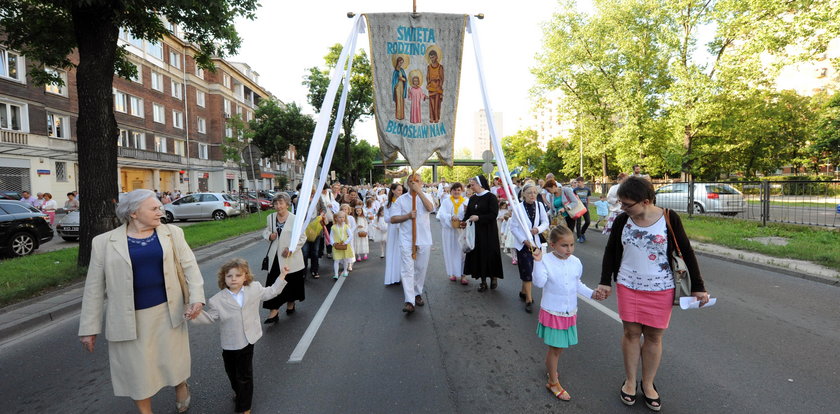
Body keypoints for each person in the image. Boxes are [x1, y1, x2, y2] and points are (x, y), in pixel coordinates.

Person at [78, 189, 204, 414]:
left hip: (167, 311)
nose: (160, 211)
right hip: (128, 318)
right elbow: (94, 288)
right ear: (134, 213)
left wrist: (197, 299)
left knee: (173, 360)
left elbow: (189, 267)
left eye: (159, 207)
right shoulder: (104, 243)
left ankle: (181, 385)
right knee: (137, 371)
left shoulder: (171, 233)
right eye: (154, 208)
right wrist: (89, 328)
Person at [595, 177, 709, 411]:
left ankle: (648, 384)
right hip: (628, 285)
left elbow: (686, 251)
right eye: (621, 204)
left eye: (627, 204)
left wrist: (698, 286)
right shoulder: (622, 220)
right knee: (631, 332)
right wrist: (605, 281)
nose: (623, 208)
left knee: (655, 337)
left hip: (661, 288)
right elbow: (611, 251)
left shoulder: (669, 218)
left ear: (646, 201)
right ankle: (630, 381)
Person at [193, 259, 289, 414]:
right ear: (223, 278)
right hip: (229, 343)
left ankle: (244, 406)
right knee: (231, 372)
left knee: (244, 375)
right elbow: (210, 318)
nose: (234, 278)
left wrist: (282, 275)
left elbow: (272, 292)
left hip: (247, 339)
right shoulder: (217, 300)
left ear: (246, 276)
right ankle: (238, 391)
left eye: (238, 275)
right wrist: (194, 315)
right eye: (229, 276)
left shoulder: (254, 288)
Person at [532, 226, 602, 402]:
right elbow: (539, 282)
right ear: (553, 244)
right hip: (553, 311)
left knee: (558, 348)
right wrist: (538, 261)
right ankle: (553, 382)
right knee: (555, 349)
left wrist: (592, 294)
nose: (569, 249)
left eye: (571, 245)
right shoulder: (545, 260)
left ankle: (551, 369)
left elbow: (576, 284)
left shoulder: (575, 262)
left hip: (569, 312)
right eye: (564, 245)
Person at [390, 174, 435, 313]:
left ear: (421, 183)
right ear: (407, 184)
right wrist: (408, 216)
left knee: (420, 268)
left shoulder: (426, 196)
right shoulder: (401, 200)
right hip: (407, 239)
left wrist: (420, 193)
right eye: (412, 181)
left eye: (417, 181)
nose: (414, 183)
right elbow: (393, 219)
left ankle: (417, 293)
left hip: (424, 238)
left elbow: (430, 208)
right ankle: (409, 300)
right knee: (407, 269)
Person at [262, 193, 307, 322]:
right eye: (276, 203)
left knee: (291, 282)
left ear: (287, 204)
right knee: (273, 283)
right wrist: (269, 235)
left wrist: (291, 249)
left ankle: (291, 303)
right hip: (275, 257)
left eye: (281, 203)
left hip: (291, 258)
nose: (278, 206)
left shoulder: (296, 219)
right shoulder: (270, 217)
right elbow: (266, 231)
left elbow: (302, 237)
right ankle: (273, 311)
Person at [510, 183, 550, 313]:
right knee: (527, 269)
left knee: (531, 269)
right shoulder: (518, 208)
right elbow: (514, 227)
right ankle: (528, 298)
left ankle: (523, 291)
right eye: (529, 193)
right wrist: (524, 240)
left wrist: (538, 229)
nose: (533, 195)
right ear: (523, 195)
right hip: (523, 245)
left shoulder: (539, 206)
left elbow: (545, 222)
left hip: (536, 243)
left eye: (534, 192)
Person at [463, 175, 503, 292]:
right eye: (470, 185)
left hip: (489, 232)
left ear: (480, 184)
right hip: (476, 232)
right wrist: (463, 221)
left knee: (490, 254)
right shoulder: (472, 198)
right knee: (479, 255)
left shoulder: (491, 197)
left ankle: (493, 276)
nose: (471, 187)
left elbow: (493, 214)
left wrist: (479, 218)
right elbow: (468, 213)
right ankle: (483, 281)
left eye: (472, 184)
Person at [436, 182, 468, 285]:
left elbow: (469, 214)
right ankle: (452, 273)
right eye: (454, 190)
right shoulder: (446, 201)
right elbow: (440, 214)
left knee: (463, 253)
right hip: (449, 231)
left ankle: (463, 275)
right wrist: (450, 217)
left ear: (462, 191)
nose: (456, 192)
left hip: (462, 231)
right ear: (451, 191)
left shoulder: (466, 201)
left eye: (459, 190)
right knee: (451, 251)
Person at [383, 183, 404, 285]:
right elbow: (386, 219)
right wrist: (395, 217)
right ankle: (392, 277)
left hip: (403, 229)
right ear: (393, 190)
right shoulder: (388, 204)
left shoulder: (404, 201)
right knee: (393, 252)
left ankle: (401, 276)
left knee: (402, 252)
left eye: (401, 190)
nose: (400, 192)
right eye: (398, 190)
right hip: (393, 229)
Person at [303, 206, 327, 279]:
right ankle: (303, 272)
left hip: (316, 229)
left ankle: (314, 270)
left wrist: (321, 215)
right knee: (304, 252)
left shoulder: (318, 197)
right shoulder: (302, 198)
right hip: (304, 230)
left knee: (315, 252)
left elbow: (324, 209)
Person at [329, 211, 354, 278]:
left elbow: (351, 235)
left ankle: (345, 271)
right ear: (336, 218)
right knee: (336, 260)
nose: (341, 219)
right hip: (336, 246)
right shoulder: (333, 227)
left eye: (343, 217)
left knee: (345, 259)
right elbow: (331, 236)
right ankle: (336, 274)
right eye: (340, 217)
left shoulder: (346, 226)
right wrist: (333, 243)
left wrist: (345, 242)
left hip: (345, 246)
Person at [426, 49, 444, 123]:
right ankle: (432, 118)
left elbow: (442, 78)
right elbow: (427, 77)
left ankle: (436, 118)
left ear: (436, 57)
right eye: (430, 57)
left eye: (433, 57)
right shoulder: (429, 67)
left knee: (437, 104)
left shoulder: (440, 67)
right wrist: (428, 83)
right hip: (431, 87)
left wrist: (439, 85)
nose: (432, 59)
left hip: (437, 87)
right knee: (431, 104)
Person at [573, 177, 592, 243]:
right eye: (577, 182)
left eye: (579, 182)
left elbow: (588, 198)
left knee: (588, 221)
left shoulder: (587, 189)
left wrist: (588, 206)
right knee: (578, 223)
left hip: (585, 207)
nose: (577, 184)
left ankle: (582, 232)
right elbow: (573, 199)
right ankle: (579, 236)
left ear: (582, 182)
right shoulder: (575, 190)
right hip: (578, 208)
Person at [392, 56, 407, 120]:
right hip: (397, 87)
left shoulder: (402, 70)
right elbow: (393, 80)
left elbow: (405, 79)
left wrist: (403, 79)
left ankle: (402, 116)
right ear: (397, 62)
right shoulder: (395, 71)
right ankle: (398, 116)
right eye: (400, 62)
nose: (401, 64)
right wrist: (398, 79)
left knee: (402, 100)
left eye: (402, 63)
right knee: (398, 101)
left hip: (402, 86)